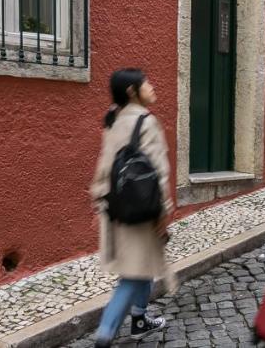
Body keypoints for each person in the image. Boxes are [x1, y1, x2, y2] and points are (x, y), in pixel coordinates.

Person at [89, 68, 173, 346]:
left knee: (142, 263)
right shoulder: (147, 122)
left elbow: (104, 163)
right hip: (142, 206)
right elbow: (158, 171)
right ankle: (106, 332)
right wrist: (164, 211)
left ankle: (140, 319)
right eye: (146, 82)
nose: (152, 85)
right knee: (133, 272)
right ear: (132, 92)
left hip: (116, 205)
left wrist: (99, 200)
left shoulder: (113, 119)